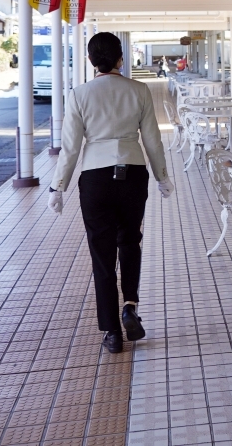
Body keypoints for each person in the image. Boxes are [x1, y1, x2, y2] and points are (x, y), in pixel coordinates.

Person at [48, 32, 173, 353]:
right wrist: (162, 177)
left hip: (95, 178)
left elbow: (71, 147)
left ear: (90, 61)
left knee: (102, 255)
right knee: (130, 241)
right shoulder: (139, 91)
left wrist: (57, 186)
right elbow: (153, 140)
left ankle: (113, 332)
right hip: (133, 174)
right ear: (121, 59)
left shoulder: (79, 95)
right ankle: (130, 305)